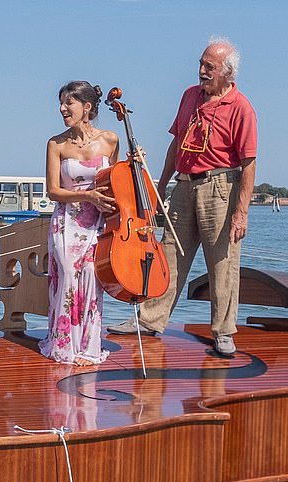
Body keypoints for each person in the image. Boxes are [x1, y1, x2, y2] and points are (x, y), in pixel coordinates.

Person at [108, 38, 257, 357]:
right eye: (201, 64)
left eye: (209, 67)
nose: (201, 70)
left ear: (227, 73)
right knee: (170, 252)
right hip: (183, 184)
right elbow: (176, 145)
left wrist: (240, 212)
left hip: (220, 187)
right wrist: (160, 187)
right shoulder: (190, 96)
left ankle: (224, 331)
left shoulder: (241, 107)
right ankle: (149, 320)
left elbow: (248, 163)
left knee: (222, 260)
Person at [40, 81, 119, 366]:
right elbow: (52, 191)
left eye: (68, 103)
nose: (62, 109)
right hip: (67, 223)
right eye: (61, 103)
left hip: (98, 223)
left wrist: (134, 166)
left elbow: (114, 182)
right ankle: (63, 345)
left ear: (86, 107)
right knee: (68, 277)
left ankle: (88, 346)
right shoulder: (56, 143)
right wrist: (87, 195)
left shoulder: (110, 140)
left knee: (90, 275)